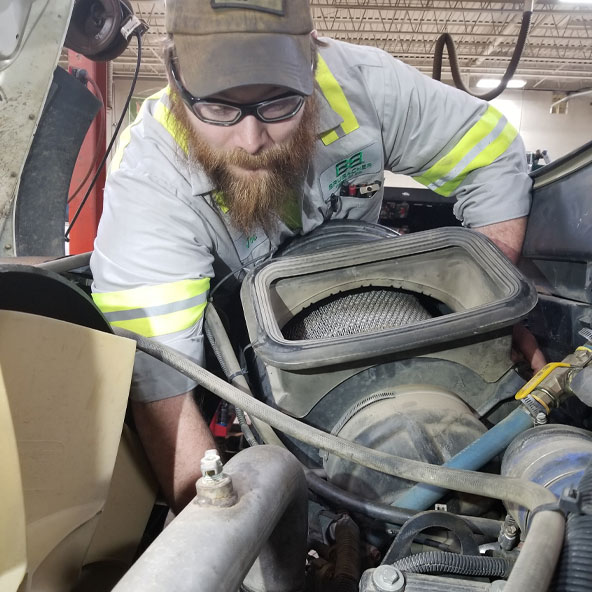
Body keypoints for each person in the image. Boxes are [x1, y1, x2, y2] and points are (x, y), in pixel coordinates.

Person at [90, 0, 542, 512]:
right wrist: (226, 531)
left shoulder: (361, 83)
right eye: (218, 107)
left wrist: (488, 314)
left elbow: (491, 154)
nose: (252, 139)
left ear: (313, 59)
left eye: (280, 104)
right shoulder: (152, 178)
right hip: (241, 333)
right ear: (173, 75)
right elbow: (162, 381)